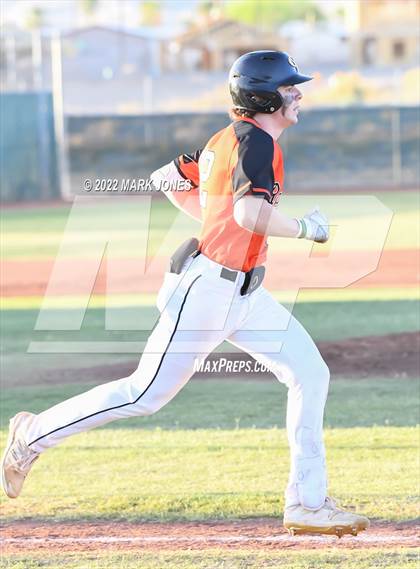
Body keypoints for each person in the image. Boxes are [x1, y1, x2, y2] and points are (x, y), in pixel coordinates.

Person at [1, 51, 369, 537]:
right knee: (144, 394)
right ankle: (30, 436)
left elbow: (168, 179)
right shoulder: (256, 142)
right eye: (288, 88)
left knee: (309, 372)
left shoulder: (228, 139)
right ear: (263, 97)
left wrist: (214, 219)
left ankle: (307, 503)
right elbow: (248, 215)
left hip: (244, 294)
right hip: (207, 293)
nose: (298, 93)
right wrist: (306, 229)